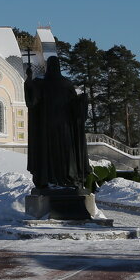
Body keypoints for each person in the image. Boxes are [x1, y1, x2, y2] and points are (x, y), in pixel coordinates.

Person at [23, 54, 89, 191]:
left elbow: (32, 102)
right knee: (65, 154)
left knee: (48, 154)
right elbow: (75, 107)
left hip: (46, 128)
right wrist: (82, 100)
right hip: (65, 128)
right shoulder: (66, 84)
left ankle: (49, 179)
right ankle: (66, 178)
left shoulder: (41, 84)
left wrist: (28, 80)